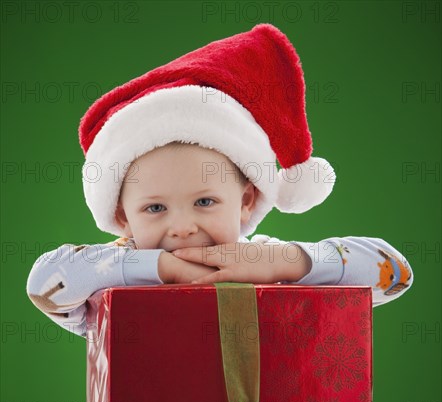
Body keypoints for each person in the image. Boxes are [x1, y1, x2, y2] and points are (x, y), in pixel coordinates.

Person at [26, 23, 414, 339]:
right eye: (155, 208)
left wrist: (287, 261)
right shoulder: (111, 277)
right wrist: (161, 268)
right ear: (122, 216)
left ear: (246, 200)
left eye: (205, 201)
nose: (181, 228)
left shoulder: (269, 266)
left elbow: (395, 273)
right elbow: (43, 284)